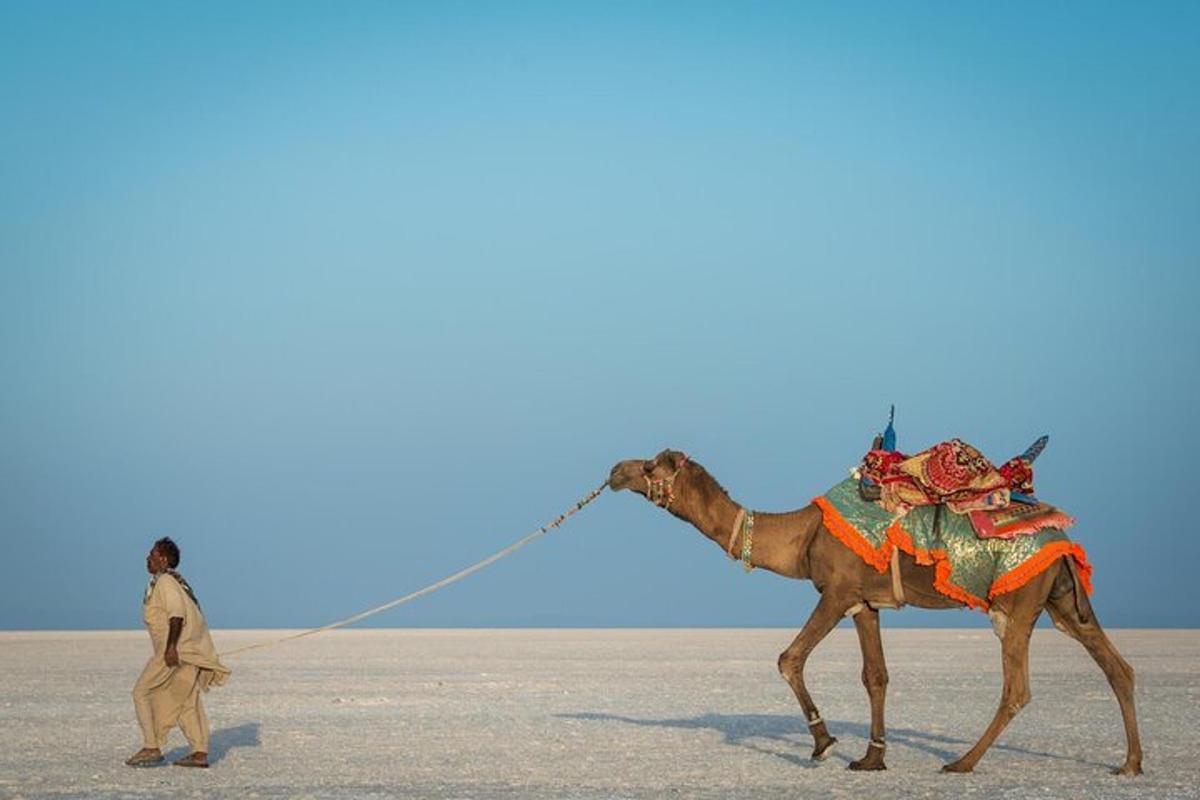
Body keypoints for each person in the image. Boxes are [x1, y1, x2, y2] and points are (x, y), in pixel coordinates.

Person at [125, 537, 231, 768]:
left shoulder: (166, 583)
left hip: (174, 652)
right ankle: (199, 753)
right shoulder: (173, 583)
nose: (147, 558)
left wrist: (171, 648)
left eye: (152, 554)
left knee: (141, 692)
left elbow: (176, 615)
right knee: (187, 702)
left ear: (163, 559)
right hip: (184, 651)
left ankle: (151, 746)